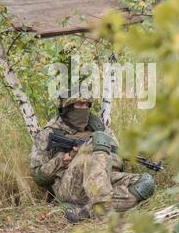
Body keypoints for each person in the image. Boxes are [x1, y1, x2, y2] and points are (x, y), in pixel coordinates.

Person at [29, 91, 155, 223]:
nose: (84, 108)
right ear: (67, 107)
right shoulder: (49, 131)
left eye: (87, 105)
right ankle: (104, 210)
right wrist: (62, 160)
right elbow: (38, 176)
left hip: (102, 179)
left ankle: (84, 212)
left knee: (146, 184)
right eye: (79, 104)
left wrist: (99, 157)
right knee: (97, 140)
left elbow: (119, 164)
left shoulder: (99, 128)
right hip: (70, 186)